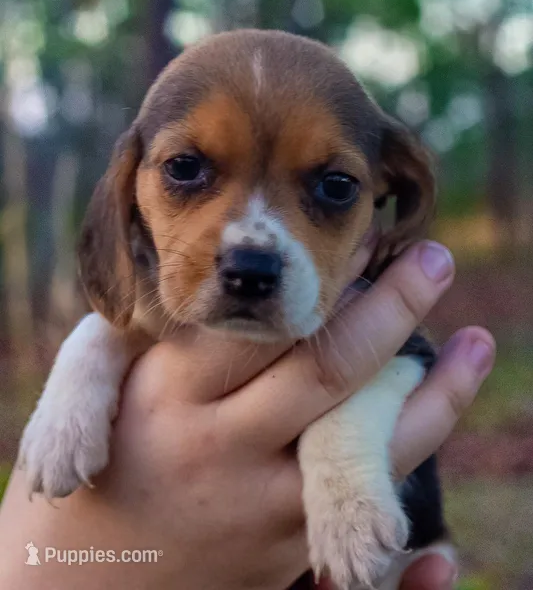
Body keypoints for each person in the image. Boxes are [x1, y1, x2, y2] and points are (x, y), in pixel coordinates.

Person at [0, 240, 495, 590]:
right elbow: (121, 323)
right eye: (187, 170)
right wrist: (91, 354)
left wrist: (341, 460)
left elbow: (403, 363)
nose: (250, 234)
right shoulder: (153, 285)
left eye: (332, 187)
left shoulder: (358, 287)